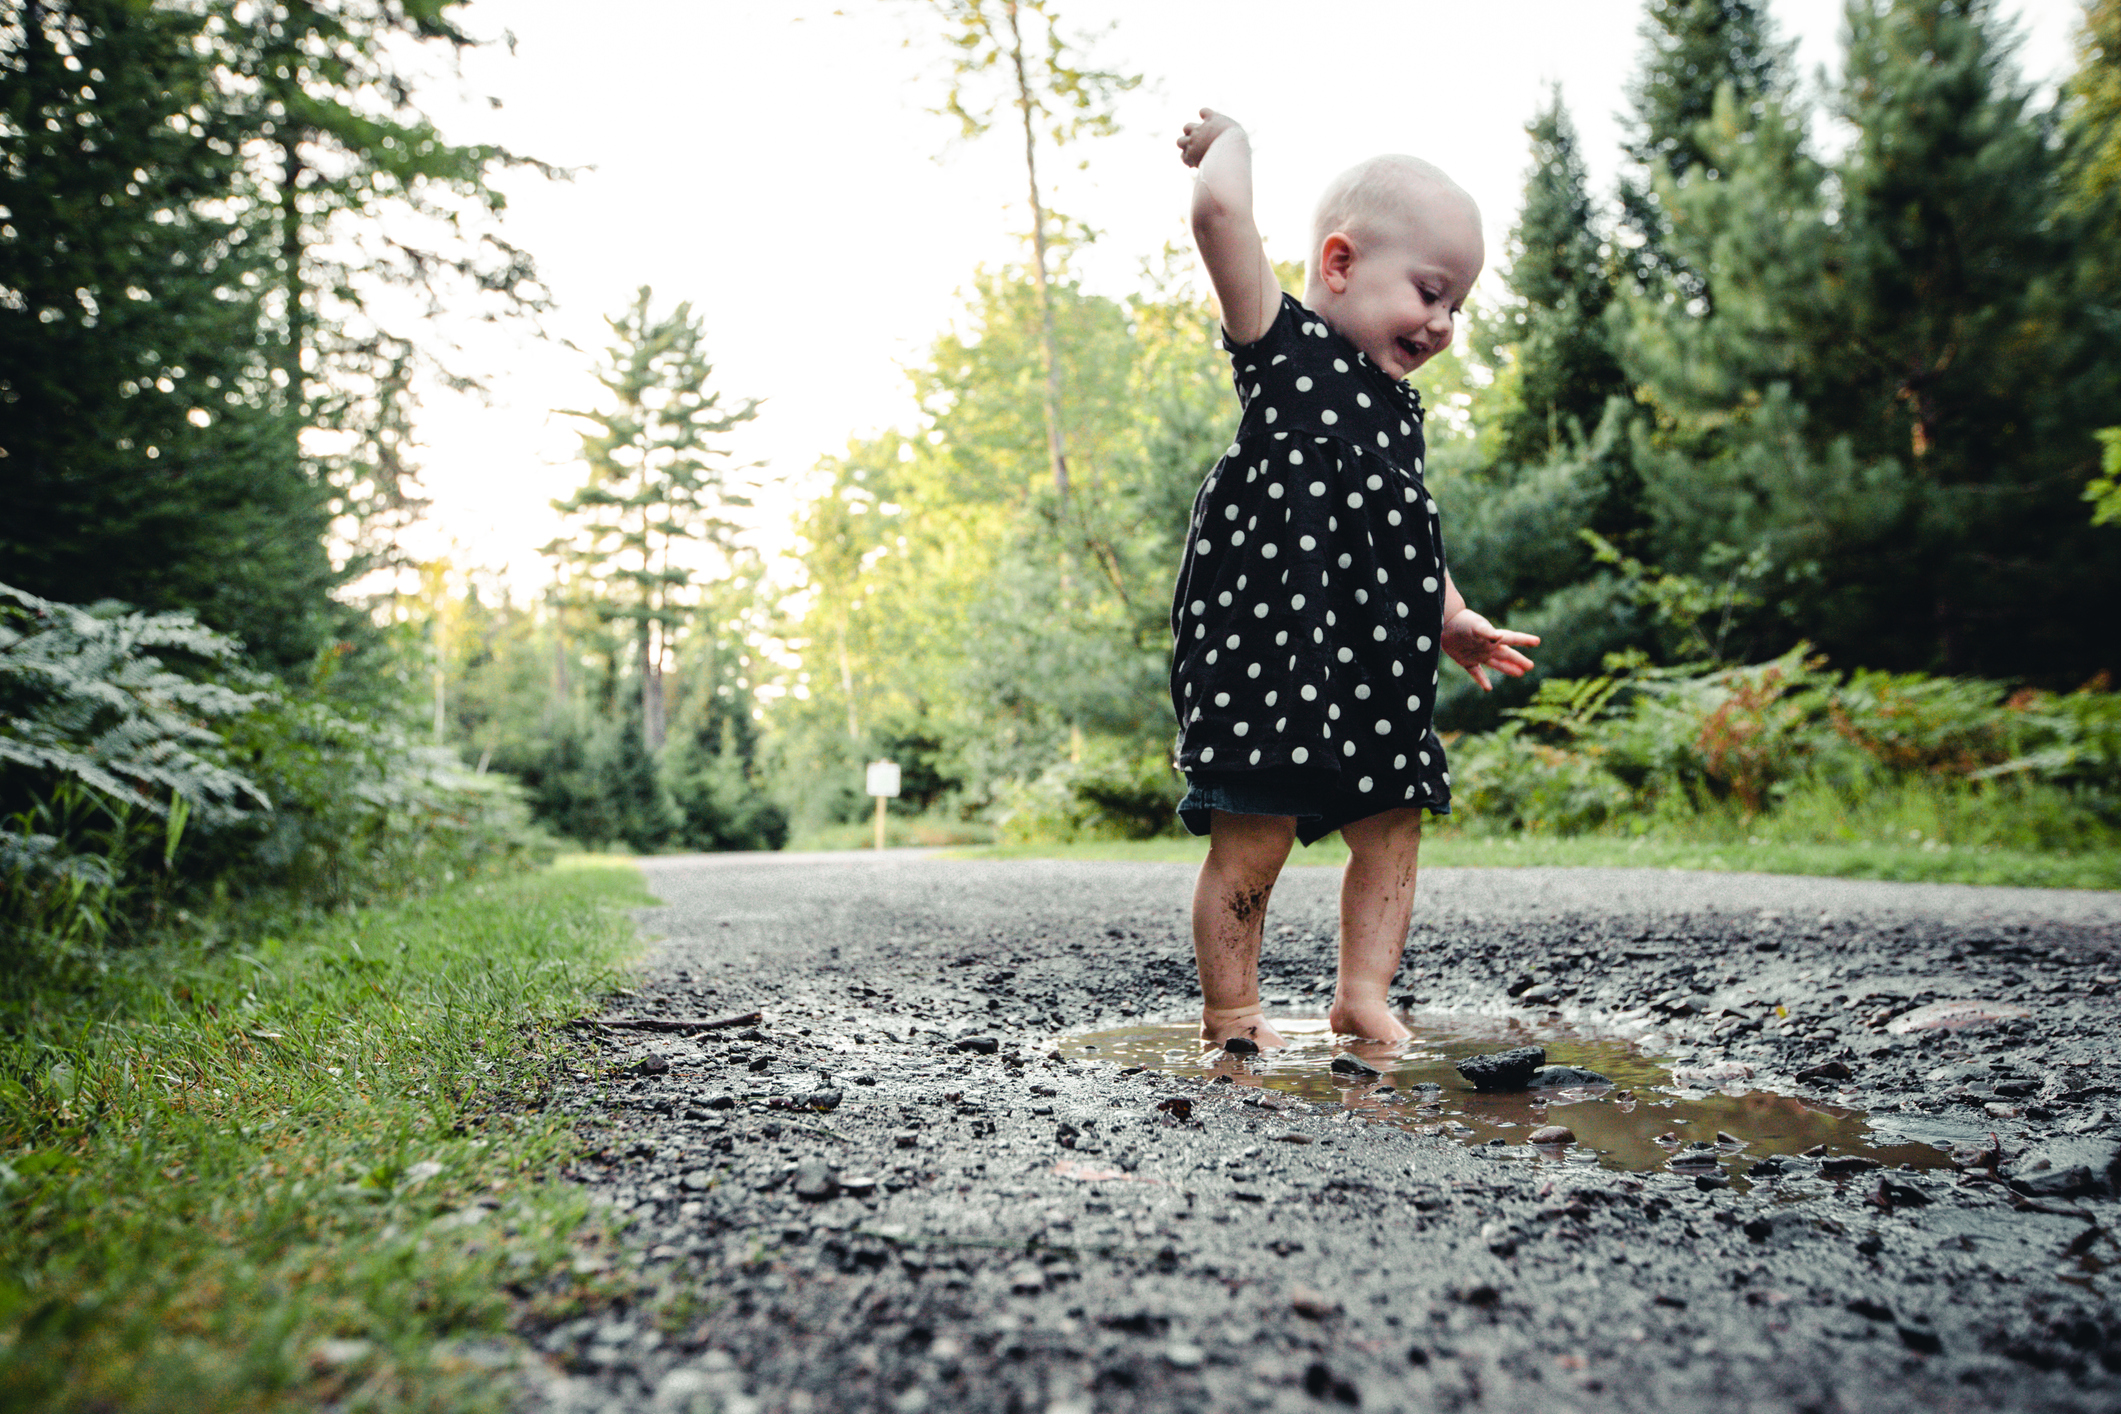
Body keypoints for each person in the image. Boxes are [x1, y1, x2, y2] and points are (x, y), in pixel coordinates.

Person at [1170, 108, 1539, 1051]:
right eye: (1429, 292)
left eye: (1457, 305)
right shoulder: (1281, 349)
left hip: (1373, 660)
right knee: (1253, 833)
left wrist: (1451, 615)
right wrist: (1231, 144)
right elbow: (1218, 220)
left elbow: (1403, 529)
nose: (1443, 324)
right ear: (1337, 264)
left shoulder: (1395, 413)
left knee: (1393, 821)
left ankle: (1362, 995)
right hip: (1269, 651)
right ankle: (1233, 1015)